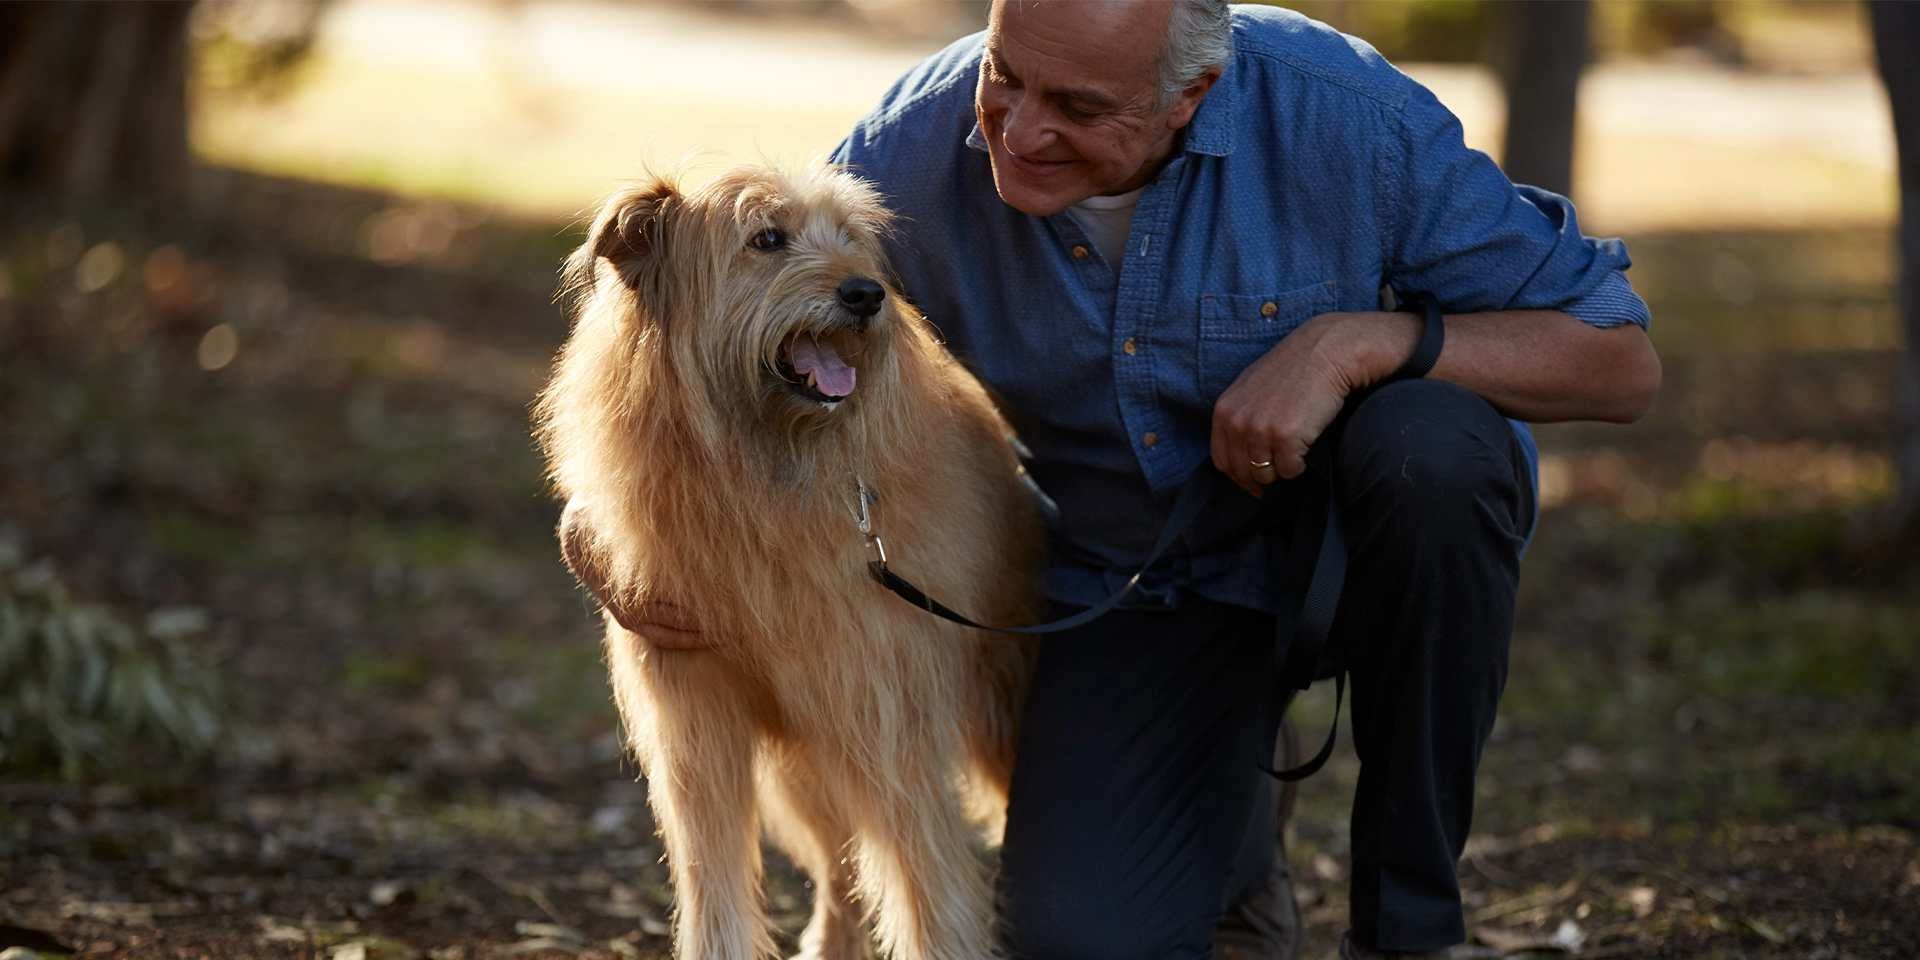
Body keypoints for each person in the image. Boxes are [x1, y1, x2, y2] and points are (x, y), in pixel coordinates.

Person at [824, 2, 1661, 958]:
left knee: (1433, 447)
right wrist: (622, 553)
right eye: (1005, 74)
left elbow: (1618, 360)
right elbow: (749, 314)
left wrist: (1357, 342)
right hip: (1134, 581)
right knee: (1077, 943)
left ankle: (1411, 931)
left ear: (1192, 93)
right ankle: (1234, 839)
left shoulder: (1343, 113)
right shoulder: (903, 151)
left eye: (1079, 107)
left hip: (1360, 548)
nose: (1017, 131)